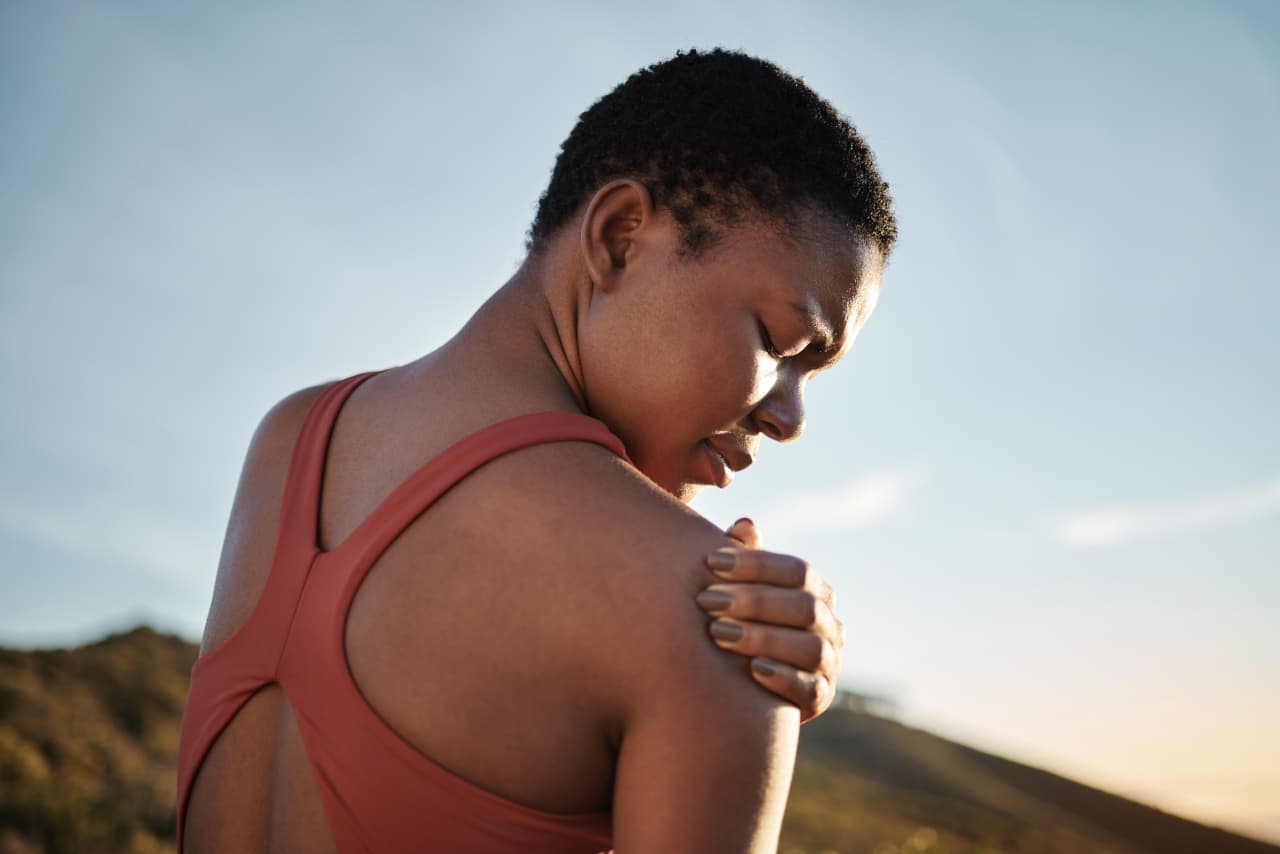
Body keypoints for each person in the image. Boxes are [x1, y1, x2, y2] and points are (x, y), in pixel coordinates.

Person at [177, 47, 896, 853]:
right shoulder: (722, 624)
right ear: (621, 236)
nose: (790, 418)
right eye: (780, 340)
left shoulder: (291, 437)